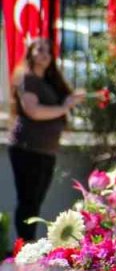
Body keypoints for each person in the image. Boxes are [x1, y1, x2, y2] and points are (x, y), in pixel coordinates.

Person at [8, 37, 83, 248]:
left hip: (47, 151)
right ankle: (24, 247)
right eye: (39, 50)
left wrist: (70, 101)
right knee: (28, 201)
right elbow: (33, 111)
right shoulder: (27, 78)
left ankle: (28, 246)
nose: (44, 54)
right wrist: (64, 107)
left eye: (48, 51)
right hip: (27, 148)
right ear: (30, 53)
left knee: (36, 201)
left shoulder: (48, 81)